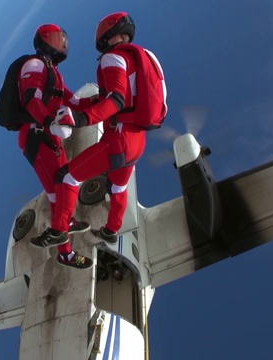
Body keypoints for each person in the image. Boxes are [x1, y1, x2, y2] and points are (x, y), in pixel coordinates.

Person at [31, 12, 164, 247]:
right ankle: (111, 230)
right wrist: (81, 102)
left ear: (107, 34)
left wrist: (82, 118)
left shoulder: (112, 58)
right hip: (138, 140)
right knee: (118, 186)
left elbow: (116, 99)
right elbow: (125, 97)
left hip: (118, 138)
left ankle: (59, 231)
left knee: (67, 177)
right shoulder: (143, 56)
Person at [18, 24, 96, 269]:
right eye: (60, 38)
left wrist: (103, 100)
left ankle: (64, 237)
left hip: (50, 137)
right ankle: (65, 251)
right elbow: (31, 100)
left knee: (65, 188)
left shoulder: (55, 74)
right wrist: (50, 122)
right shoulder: (34, 64)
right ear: (48, 39)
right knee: (59, 191)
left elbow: (74, 100)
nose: (64, 43)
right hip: (37, 135)